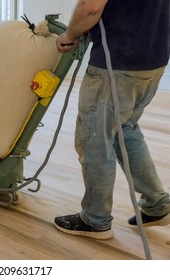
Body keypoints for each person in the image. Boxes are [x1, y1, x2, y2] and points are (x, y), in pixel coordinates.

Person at [54, 0, 170, 240]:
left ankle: (95, 219)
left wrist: (70, 34)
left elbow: (91, 6)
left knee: (94, 140)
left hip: (116, 62)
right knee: (125, 129)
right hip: (153, 57)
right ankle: (157, 204)